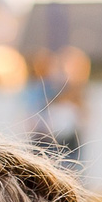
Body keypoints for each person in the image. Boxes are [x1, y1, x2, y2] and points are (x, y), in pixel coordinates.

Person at [26, 44, 91, 173]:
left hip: (68, 151)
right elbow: (33, 123)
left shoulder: (79, 97)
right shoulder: (43, 92)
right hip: (46, 149)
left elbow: (82, 121)